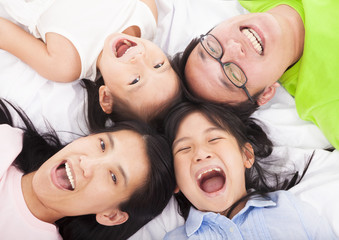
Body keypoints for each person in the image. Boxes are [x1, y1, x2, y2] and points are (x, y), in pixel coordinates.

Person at [173, 0, 339, 149]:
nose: (234, 48)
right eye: (233, 75)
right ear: (266, 94)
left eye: (211, 48)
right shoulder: (329, 102)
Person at [0, 99, 175, 240]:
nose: (87, 164)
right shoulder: (7, 142)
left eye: (113, 176)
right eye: (102, 144)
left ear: (111, 216)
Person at [163, 101, 336, 239]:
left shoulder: (290, 209)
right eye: (184, 148)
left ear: (246, 155)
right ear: (174, 181)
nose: (201, 153)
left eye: (214, 138)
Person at [0, 0, 181, 123]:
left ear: (106, 97)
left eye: (135, 80)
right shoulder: (145, 14)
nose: (139, 59)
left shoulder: (66, 63)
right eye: (158, 65)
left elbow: (5, 33)